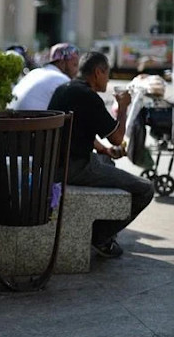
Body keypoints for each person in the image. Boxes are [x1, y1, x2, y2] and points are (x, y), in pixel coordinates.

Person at [47, 51, 154, 258]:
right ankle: (100, 235)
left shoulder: (64, 89)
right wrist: (123, 107)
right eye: (107, 74)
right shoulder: (89, 97)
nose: (107, 78)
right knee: (146, 189)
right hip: (74, 168)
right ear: (97, 73)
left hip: (53, 164)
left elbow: (75, 131)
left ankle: (105, 229)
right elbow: (116, 137)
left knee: (106, 160)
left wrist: (103, 149)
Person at [8, 43, 79, 110]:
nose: (77, 70)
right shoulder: (63, 80)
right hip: (33, 121)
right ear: (62, 63)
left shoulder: (34, 72)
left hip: (9, 120)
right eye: (75, 65)